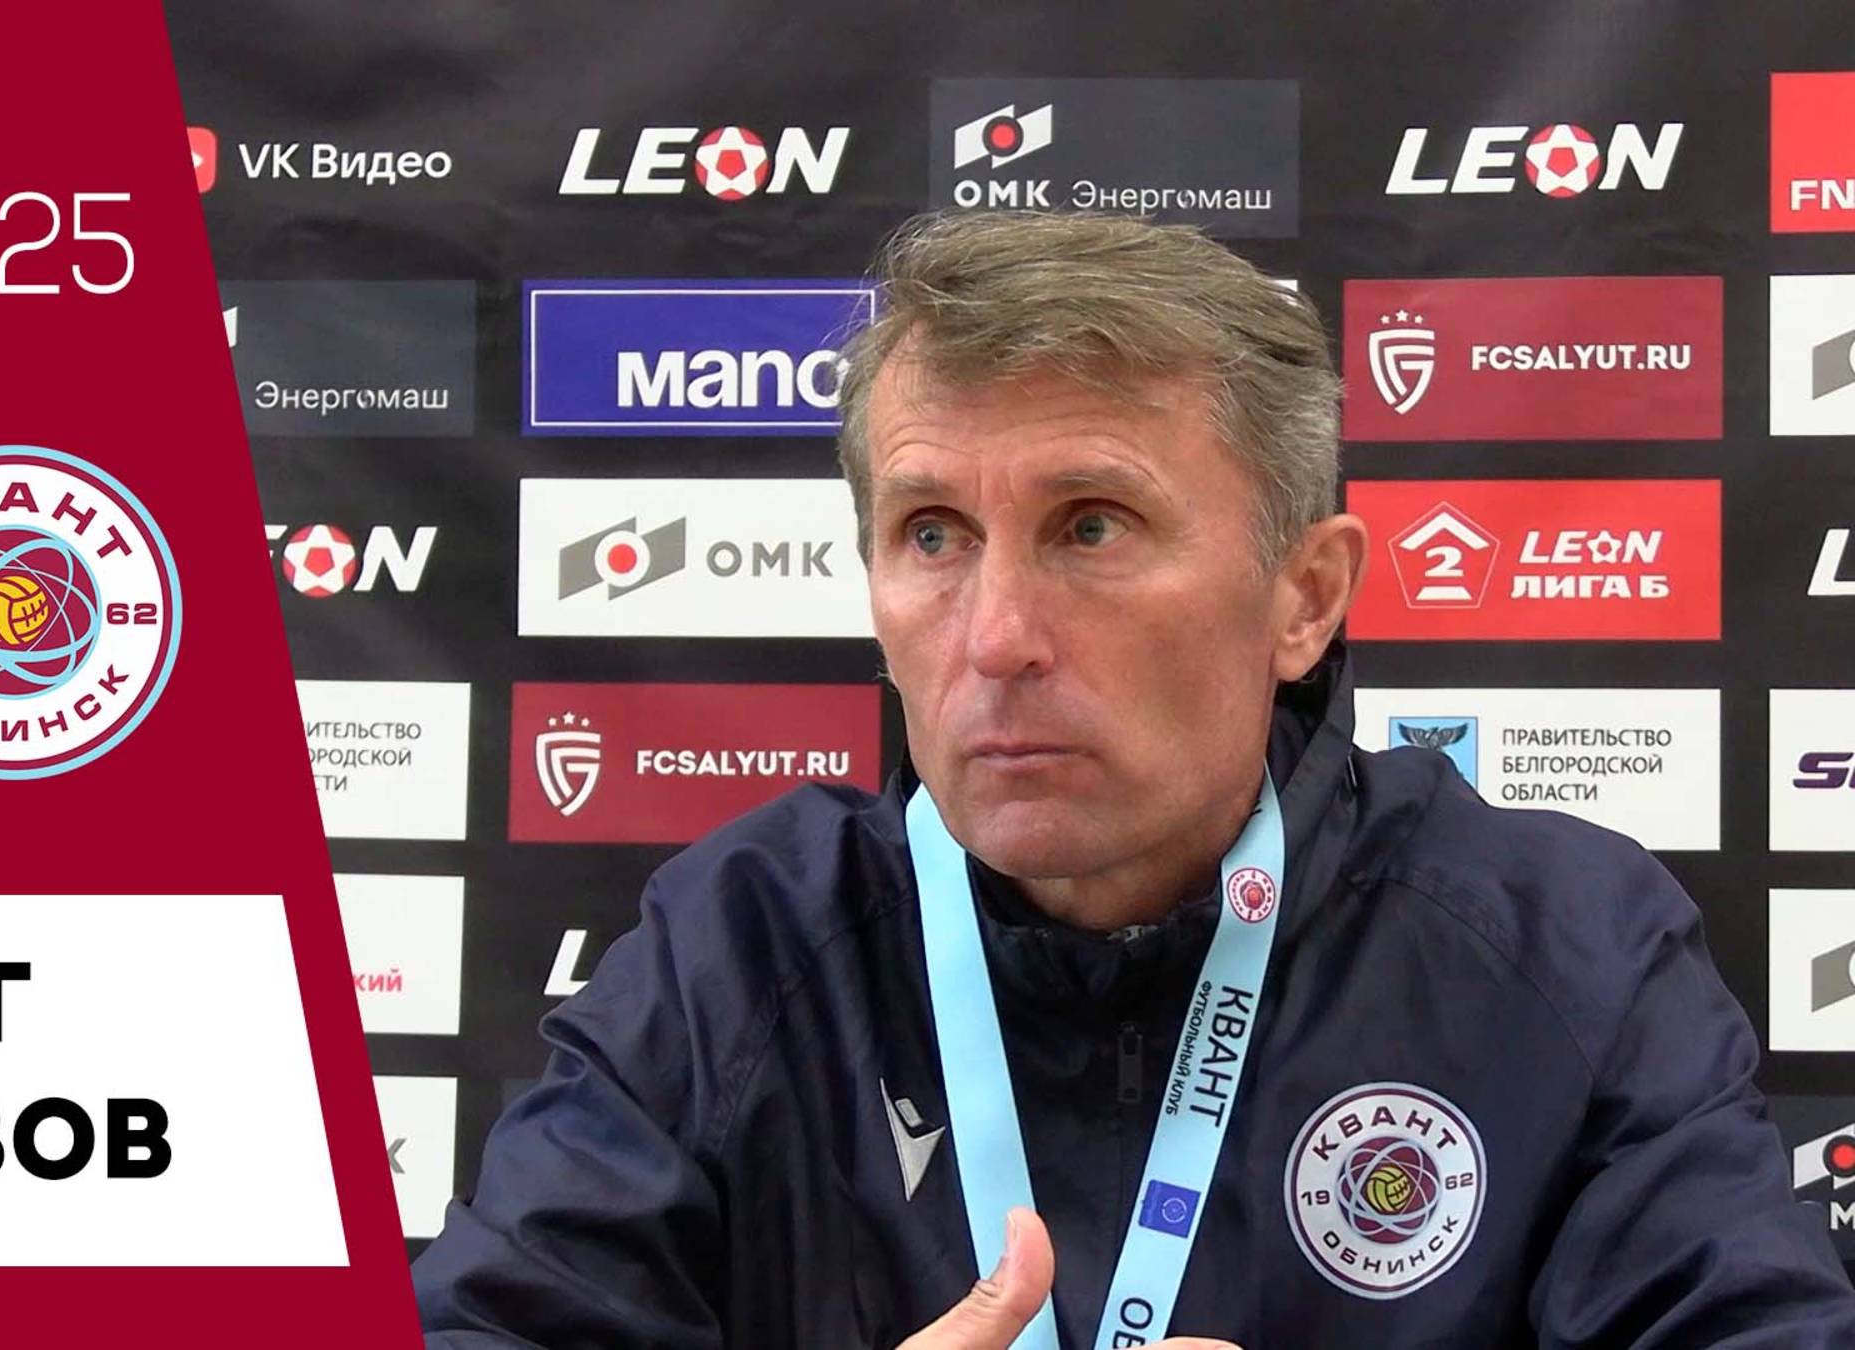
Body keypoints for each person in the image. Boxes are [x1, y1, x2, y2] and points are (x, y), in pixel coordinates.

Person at [409, 210, 1855, 1347]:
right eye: (932, 532)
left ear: (1305, 597)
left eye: (1091, 525)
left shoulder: (1565, 950)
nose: (997, 637)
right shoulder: (736, 948)